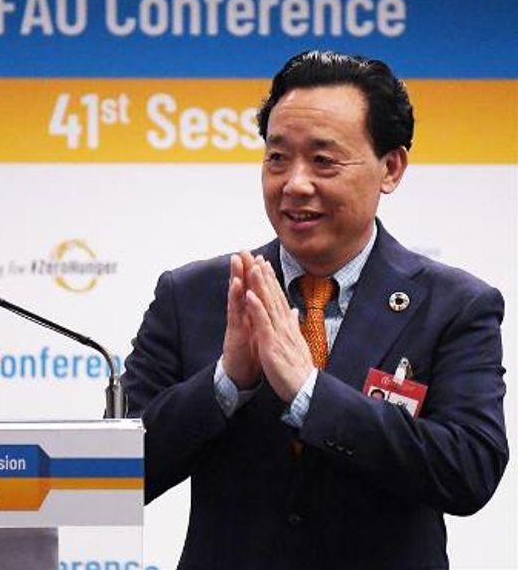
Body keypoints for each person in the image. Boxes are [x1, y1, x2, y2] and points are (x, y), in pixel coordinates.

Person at [121, 50, 508, 569]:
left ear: (391, 167)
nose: (295, 183)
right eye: (277, 158)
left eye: (323, 161)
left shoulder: (455, 305)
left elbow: (469, 470)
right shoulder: (194, 294)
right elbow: (115, 476)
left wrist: (310, 392)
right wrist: (226, 382)